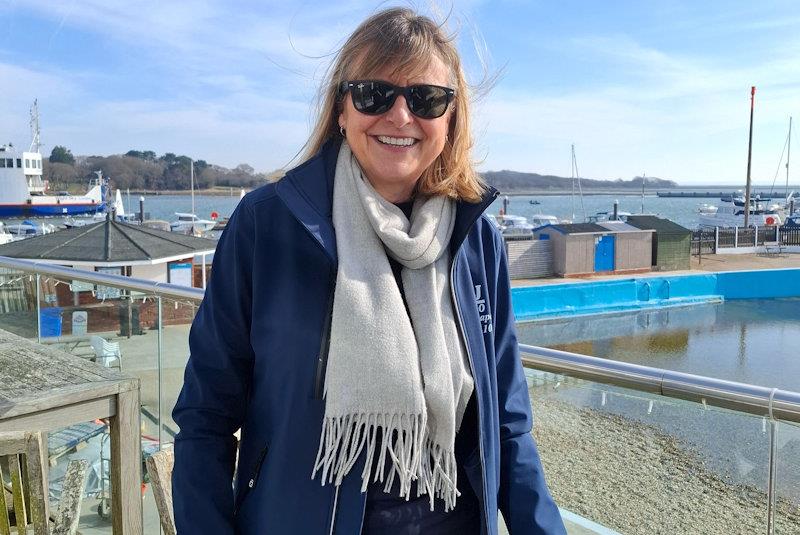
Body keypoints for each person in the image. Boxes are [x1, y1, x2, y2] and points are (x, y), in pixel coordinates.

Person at [172, 7, 566, 534]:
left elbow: (509, 426)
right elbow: (205, 418)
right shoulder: (266, 228)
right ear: (341, 109)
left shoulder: (477, 241)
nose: (400, 116)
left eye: (427, 99)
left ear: (451, 120)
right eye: (374, 94)